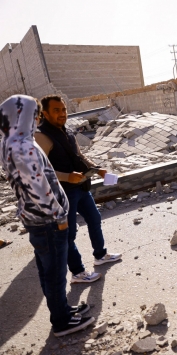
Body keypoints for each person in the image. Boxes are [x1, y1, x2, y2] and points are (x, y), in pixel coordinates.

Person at [0, 95, 94, 336]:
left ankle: (62, 310)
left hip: (37, 219)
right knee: (54, 273)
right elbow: (39, 188)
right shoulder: (23, 147)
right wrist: (60, 217)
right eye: (34, 114)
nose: (37, 118)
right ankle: (62, 321)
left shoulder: (11, 141)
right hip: (48, 220)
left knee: (47, 269)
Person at [35, 95, 121, 285]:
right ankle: (78, 273)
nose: (62, 114)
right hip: (62, 193)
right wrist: (67, 177)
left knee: (94, 219)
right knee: (68, 234)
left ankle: (100, 254)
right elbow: (39, 170)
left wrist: (97, 170)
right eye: (56, 110)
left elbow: (79, 156)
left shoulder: (67, 132)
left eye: (63, 109)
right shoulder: (40, 137)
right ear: (44, 114)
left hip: (81, 187)